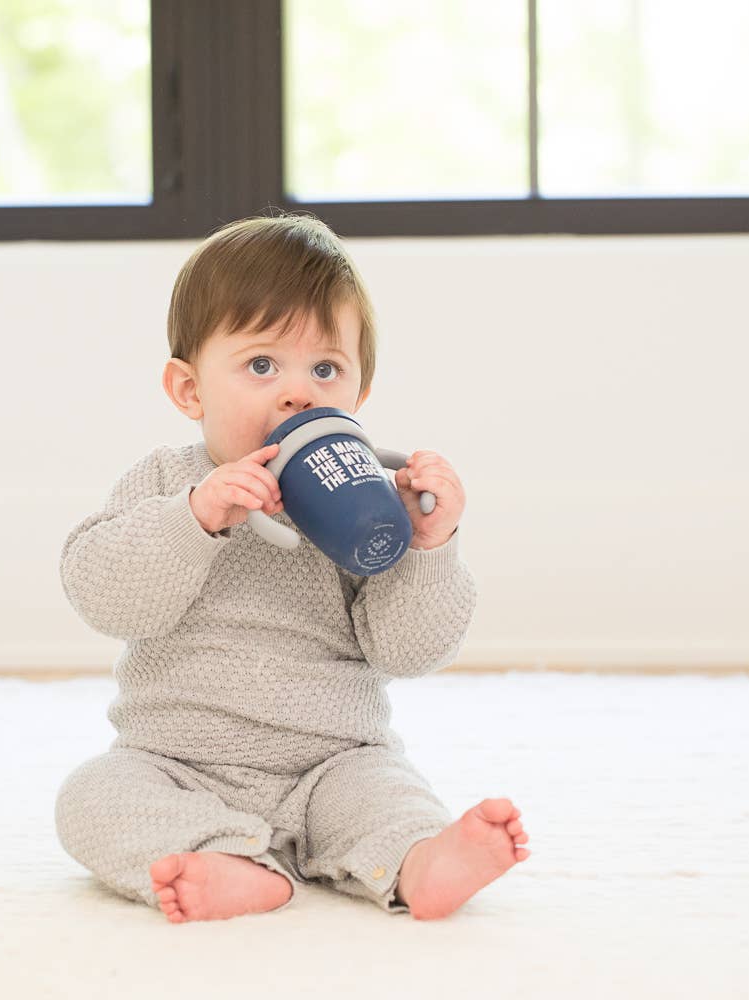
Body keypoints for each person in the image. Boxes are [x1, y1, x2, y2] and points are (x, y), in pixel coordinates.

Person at [55, 211, 530, 923]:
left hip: (333, 762)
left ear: (359, 397)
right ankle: (229, 858)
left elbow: (410, 651)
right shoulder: (163, 482)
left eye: (326, 369)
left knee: (386, 792)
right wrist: (195, 519)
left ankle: (422, 861)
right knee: (90, 797)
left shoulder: (370, 500)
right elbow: (104, 596)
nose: (297, 392)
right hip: (178, 763)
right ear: (190, 391)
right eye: (261, 365)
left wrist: (429, 545)